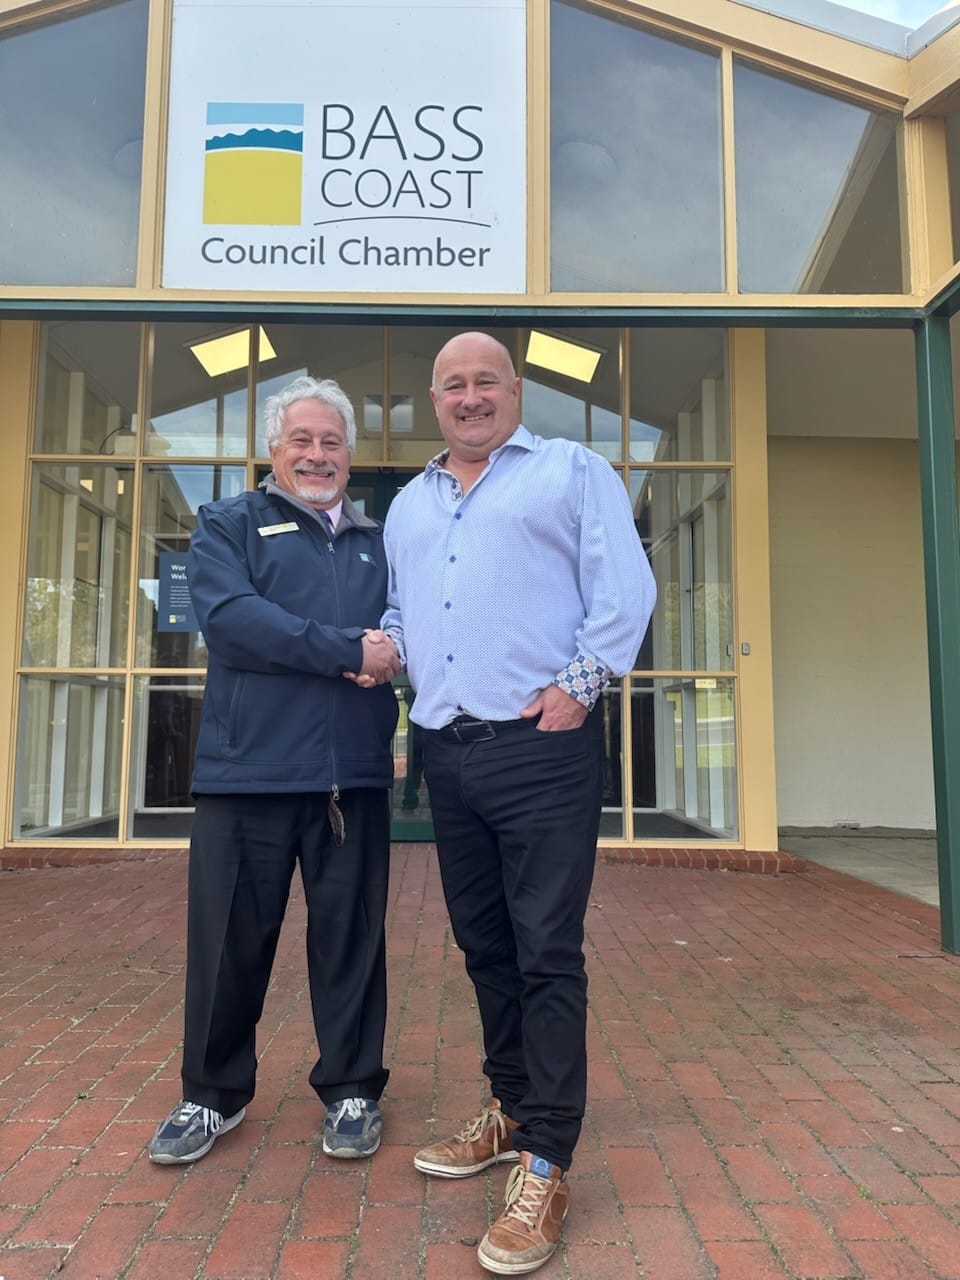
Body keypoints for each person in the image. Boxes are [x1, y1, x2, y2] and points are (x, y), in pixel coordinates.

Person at [380, 332, 657, 1276]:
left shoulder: (571, 472)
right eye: (453, 385)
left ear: (515, 390)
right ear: (434, 400)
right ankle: (508, 1106)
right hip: (448, 752)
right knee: (485, 946)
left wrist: (577, 688)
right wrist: (379, 651)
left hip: (541, 747)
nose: (470, 397)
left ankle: (547, 1159)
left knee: (546, 952)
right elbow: (405, 612)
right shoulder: (411, 504)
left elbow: (625, 594)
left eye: (485, 382)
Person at [148, 374, 401, 1167]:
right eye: (302, 441)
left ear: (350, 454)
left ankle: (353, 1089)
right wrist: (347, 649)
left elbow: (414, 627)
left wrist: (395, 650)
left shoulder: (380, 541)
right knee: (228, 945)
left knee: (351, 942)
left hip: (350, 778)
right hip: (246, 777)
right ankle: (211, 1095)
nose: (317, 455)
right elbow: (233, 623)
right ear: (273, 450)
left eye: (332, 442)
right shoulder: (229, 523)